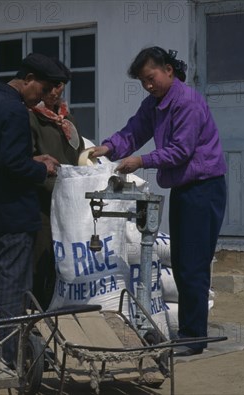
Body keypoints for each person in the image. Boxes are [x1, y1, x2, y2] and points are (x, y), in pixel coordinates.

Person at [89, 47, 227, 357]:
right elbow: (134, 130)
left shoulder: (187, 103)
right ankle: (192, 332)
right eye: (143, 82)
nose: (149, 86)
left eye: (151, 78)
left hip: (204, 188)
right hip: (184, 188)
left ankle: (193, 337)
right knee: (180, 260)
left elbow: (180, 151)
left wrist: (139, 161)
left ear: (168, 70)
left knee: (192, 263)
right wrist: (109, 147)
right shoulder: (155, 104)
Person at [0, 53, 68, 364]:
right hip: (10, 213)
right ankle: (10, 355)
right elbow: (12, 165)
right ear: (29, 80)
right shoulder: (15, 111)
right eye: (42, 89)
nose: (42, 97)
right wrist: (42, 170)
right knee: (13, 284)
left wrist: (32, 160)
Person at [28, 63, 86, 308]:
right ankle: (36, 319)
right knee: (42, 260)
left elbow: (78, 155)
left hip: (68, 204)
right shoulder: (31, 116)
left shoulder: (66, 118)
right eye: (50, 86)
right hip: (42, 204)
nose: (54, 91)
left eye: (59, 86)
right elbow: (29, 161)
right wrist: (59, 186)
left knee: (65, 262)